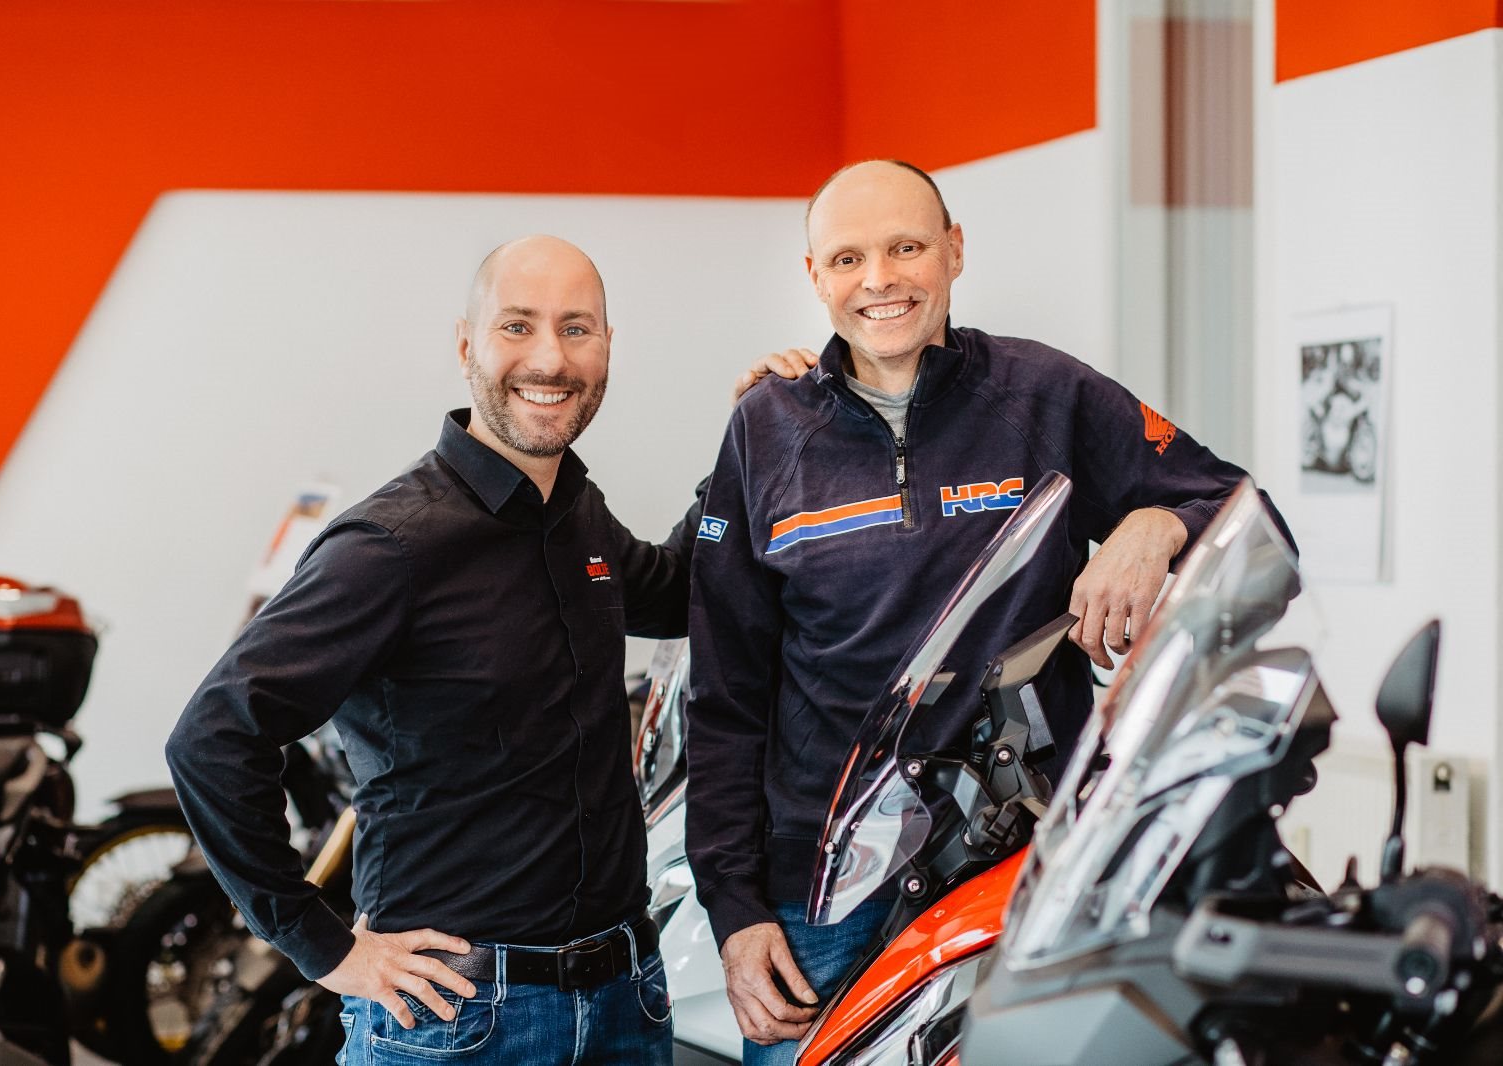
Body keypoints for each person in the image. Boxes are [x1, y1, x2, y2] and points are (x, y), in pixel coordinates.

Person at [683, 160, 1294, 1063]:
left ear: (954, 250)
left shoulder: (1046, 394)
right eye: (848, 259)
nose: (879, 279)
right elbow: (725, 694)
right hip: (822, 896)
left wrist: (1158, 525)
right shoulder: (765, 429)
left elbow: (1251, 518)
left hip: (1027, 870)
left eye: (905, 248)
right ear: (815, 276)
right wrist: (734, 909)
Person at [166, 235, 806, 1066]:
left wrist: (751, 441)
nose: (550, 358)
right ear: (467, 345)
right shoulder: (391, 544)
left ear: (607, 346)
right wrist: (323, 947)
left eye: (576, 328)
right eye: (517, 326)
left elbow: (680, 587)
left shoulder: (575, 510)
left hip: (623, 1000)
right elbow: (213, 738)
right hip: (459, 1022)